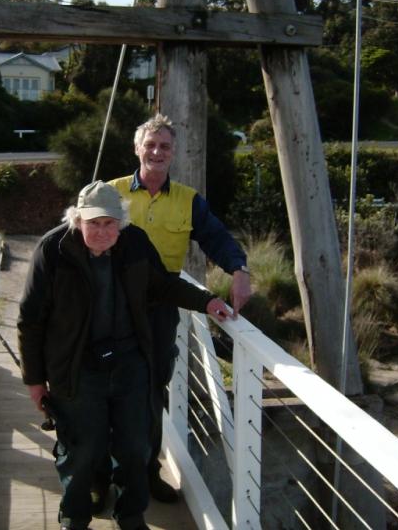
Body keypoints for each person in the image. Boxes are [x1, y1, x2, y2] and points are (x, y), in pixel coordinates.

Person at [17, 180, 230, 530]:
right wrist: (34, 380)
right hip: (77, 367)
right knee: (81, 449)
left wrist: (206, 301)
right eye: (93, 223)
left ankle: (130, 516)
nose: (102, 231)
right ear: (77, 220)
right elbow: (30, 320)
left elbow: (163, 284)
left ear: (121, 223)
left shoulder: (136, 243)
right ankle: (74, 514)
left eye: (110, 223)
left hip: (130, 363)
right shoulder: (52, 250)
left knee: (135, 447)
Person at [106, 112, 252, 503]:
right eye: (150, 145)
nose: (156, 152)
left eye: (164, 146)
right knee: (104, 391)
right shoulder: (110, 191)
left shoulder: (189, 201)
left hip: (158, 310)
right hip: (109, 309)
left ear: (173, 154)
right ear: (137, 149)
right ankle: (100, 477)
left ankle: (148, 474)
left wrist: (239, 270)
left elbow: (216, 238)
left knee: (153, 394)